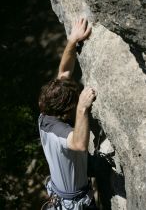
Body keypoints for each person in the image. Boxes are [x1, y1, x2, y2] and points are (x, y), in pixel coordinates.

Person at [38, 18, 97, 210]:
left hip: (63, 193)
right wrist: (82, 107)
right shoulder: (59, 133)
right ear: (66, 112)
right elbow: (79, 144)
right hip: (73, 204)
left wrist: (72, 41)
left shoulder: (46, 114)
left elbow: (64, 73)